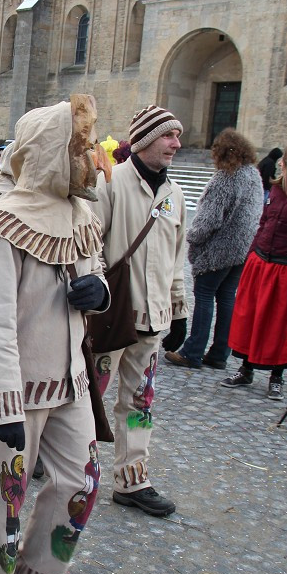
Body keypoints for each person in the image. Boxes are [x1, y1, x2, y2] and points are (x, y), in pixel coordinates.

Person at [0, 97, 109, 574]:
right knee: (4, 493)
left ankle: (40, 573)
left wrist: (101, 293)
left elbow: (94, 282)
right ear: (54, 152)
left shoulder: (81, 215)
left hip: (70, 381)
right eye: (81, 147)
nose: (91, 157)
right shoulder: (6, 220)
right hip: (15, 388)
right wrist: (2, 401)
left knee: (82, 481)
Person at [92, 105, 187, 518]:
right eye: (169, 136)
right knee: (86, 396)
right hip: (112, 317)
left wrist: (179, 310)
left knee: (140, 402)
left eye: (177, 137)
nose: (177, 144)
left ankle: (132, 480)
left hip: (154, 320)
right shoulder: (110, 184)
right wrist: (93, 292)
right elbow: (89, 246)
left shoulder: (175, 194)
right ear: (146, 139)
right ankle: (61, 460)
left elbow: (175, 258)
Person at [223, 143, 287, 399]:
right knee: (251, 318)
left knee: (279, 324)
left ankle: (277, 375)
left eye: (285, 159)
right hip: (262, 260)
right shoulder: (277, 188)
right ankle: (246, 368)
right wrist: (252, 252)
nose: (280, 163)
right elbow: (265, 221)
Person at [165, 129, 263, 370]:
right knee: (227, 298)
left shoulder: (226, 177)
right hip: (241, 249)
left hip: (218, 249)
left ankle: (193, 351)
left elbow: (209, 219)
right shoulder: (253, 175)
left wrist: (192, 238)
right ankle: (220, 352)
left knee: (205, 296)